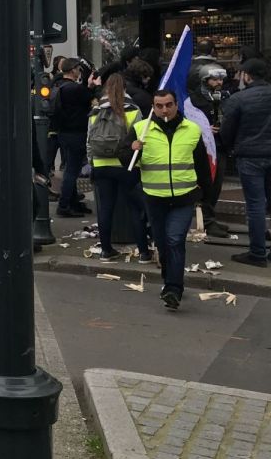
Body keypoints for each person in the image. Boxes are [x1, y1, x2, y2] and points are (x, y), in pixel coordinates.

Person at [130, 90, 212, 309]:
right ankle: (169, 276)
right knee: (163, 242)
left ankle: (173, 289)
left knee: (175, 240)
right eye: (159, 105)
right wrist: (132, 149)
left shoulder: (192, 130)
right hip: (154, 198)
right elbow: (126, 161)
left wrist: (206, 196)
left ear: (176, 105)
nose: (164, 109)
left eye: (168, 105)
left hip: (183, 198)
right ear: (153, 107)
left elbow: (202, 165)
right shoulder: (141, 129)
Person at [87, 74, 151, 262]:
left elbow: (89, 141)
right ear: (125, 89)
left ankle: (106, 250)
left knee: (106, 209)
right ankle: (144, 253)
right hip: (127, 166)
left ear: (106, 89)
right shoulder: (133, 110)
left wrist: (92, 163)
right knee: (135, 209)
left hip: (101, 166)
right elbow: (140, 139)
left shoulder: (95, 111)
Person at [220, 58, 271, 268]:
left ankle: (258, 252)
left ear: (247, 75)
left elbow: (227, 130)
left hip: (250, 156)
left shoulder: (238, 99)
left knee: (256, 205)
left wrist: (230, 147)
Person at [190, 64, 230, 238]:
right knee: (207, 185)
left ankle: (210, 218)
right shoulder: (194, 99)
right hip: (203, 148)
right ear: (205, 80)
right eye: (214, 79)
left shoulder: (226, 97)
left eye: (220, 79)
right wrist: (204, 129)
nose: (218, 82)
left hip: (220, 146)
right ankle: (206, 220)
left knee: (217, 185)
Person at [51, 58, 94, 216]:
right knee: (71, 171)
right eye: (79, 69)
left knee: (71, 168)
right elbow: (89, 99)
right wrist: (90, 86)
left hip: (64, 132)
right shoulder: (75, 89)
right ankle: (64, 205)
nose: (80, 72)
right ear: (73, 70)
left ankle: (73, 202)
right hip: (76, 133)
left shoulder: (59, 85)